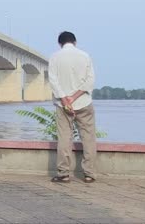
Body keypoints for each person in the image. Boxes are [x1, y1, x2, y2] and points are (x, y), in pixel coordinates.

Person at [48, 31, 96, 183]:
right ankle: (89, 174)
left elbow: (53, 81)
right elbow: (90, 80)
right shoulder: (85, 56)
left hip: (62, 105)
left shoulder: (55, 57)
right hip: (83, 103)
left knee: (64, 138)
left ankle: (63, 173)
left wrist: (64, 99)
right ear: (75, 42)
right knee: (88, 138)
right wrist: (74, 97)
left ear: (60, 43)